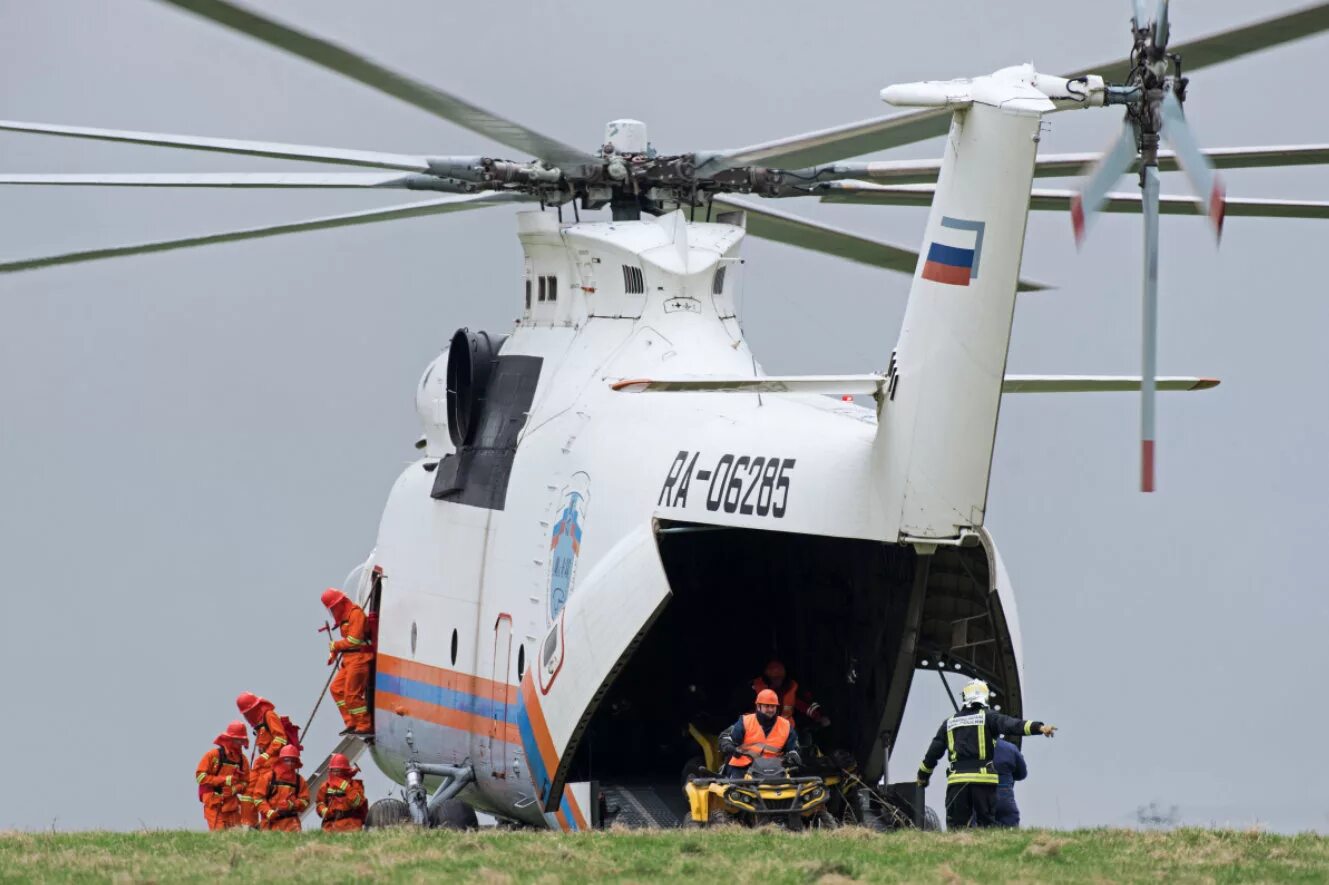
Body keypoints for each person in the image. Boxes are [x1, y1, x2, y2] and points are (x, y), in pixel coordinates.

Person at [916, 678, 1055, 829]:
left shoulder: (949, 723)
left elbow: (932, 754)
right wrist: (1038, 727)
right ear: (985, 697)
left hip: (957, 783)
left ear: (964, 697)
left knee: (957, 828)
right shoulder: (989, 717)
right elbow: (1012, 725)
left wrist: (922, 777)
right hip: (983, 782)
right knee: (986, 827)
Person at [321, 587, 374, 736]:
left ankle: (365, 724)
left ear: (340, 604)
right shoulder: (345, 618)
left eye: (333, 608)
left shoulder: (355, 614)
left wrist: (336, 645)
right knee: (336, 689)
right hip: (348, 659)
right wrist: (334, 653)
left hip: (359, 659)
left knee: (351, 694)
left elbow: (354, 640)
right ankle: (351, 721)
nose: (332, 612)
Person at [235, 691, 292, 827]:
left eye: (248, 713)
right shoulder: (260, 721)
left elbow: (280, 738)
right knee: (248, 793)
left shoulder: (269, 715)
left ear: (253, 708)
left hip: (272, 762)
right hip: (262, 763)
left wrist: (266, 755)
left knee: (262, 794)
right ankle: (248, 825)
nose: (247, 717)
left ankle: (263, 826)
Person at [718, 688, 801, 777]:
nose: (770, 709)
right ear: (758, 706)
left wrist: (793, 755)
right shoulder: (745, 721)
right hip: (744, 768)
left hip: (775, 769)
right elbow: (725, 737)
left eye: (773, 706)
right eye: (767, 706)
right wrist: (729, 746)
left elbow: (794, 749)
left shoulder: (786, 725)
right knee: (733, 784)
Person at [195, 721, 250, 831]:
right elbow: (200, 776)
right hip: (214, 802)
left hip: (232, 805)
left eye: (241, 740)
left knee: (238, 837)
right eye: (236, 740)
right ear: (229, 739)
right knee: (219, 837)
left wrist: (235, 789)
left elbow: (247, 783)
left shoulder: (243, 760)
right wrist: (224, 780)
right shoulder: (213, 755)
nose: (239, 744)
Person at [751, 659, 831, 730]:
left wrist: (819, 716)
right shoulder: (756, 689)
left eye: (779, 677)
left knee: (805, 739)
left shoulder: (790, 690)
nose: (777, 681)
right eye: (774, 678)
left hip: (786, 732)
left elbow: (805, 706)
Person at [256, 745, 310, 831]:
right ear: (280, 760)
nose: (290, 763)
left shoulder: (299, 780)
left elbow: (305, 801)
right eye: (287, 760)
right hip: (271, 823)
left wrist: (292, 804)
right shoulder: (268, 777)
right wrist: (269, 811)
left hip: (292, 824)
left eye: (293, 760)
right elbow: (258, 798)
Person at [316, 753, 368, 832]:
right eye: (333, 771)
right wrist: (324, 811)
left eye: (338, 771)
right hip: (329, 827)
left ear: (345, 771)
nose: (335, 774)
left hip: (350, 826)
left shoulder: (354, 785)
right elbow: (320, 802)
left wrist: (346, 787)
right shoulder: (325, 786)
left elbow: (357, 803)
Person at [993, 737, 1027, 827]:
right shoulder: (1010, 747)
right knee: (1009, 829)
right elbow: (1022, 774)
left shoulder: (971, 748)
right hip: (1004, 794)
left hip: (979, 794)